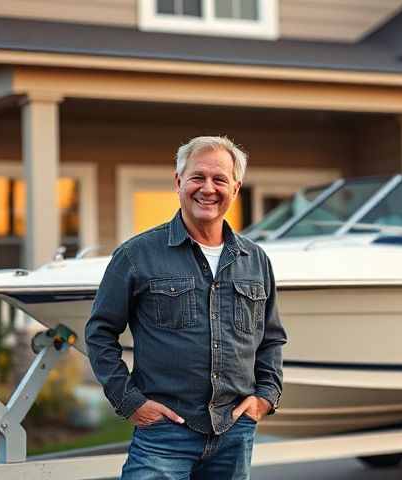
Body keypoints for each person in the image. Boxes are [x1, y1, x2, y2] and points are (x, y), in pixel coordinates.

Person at [85, 136, 287, 479]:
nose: (208, 188)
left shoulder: (255, 260)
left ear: (235, 189)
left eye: (220, 179)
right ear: (178, 182)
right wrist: (130, 402)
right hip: (164, 433)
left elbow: (270, 338)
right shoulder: (137, 255)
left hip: (234, 432)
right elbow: (100, 333)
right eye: (198, 177)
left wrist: (265, 397)